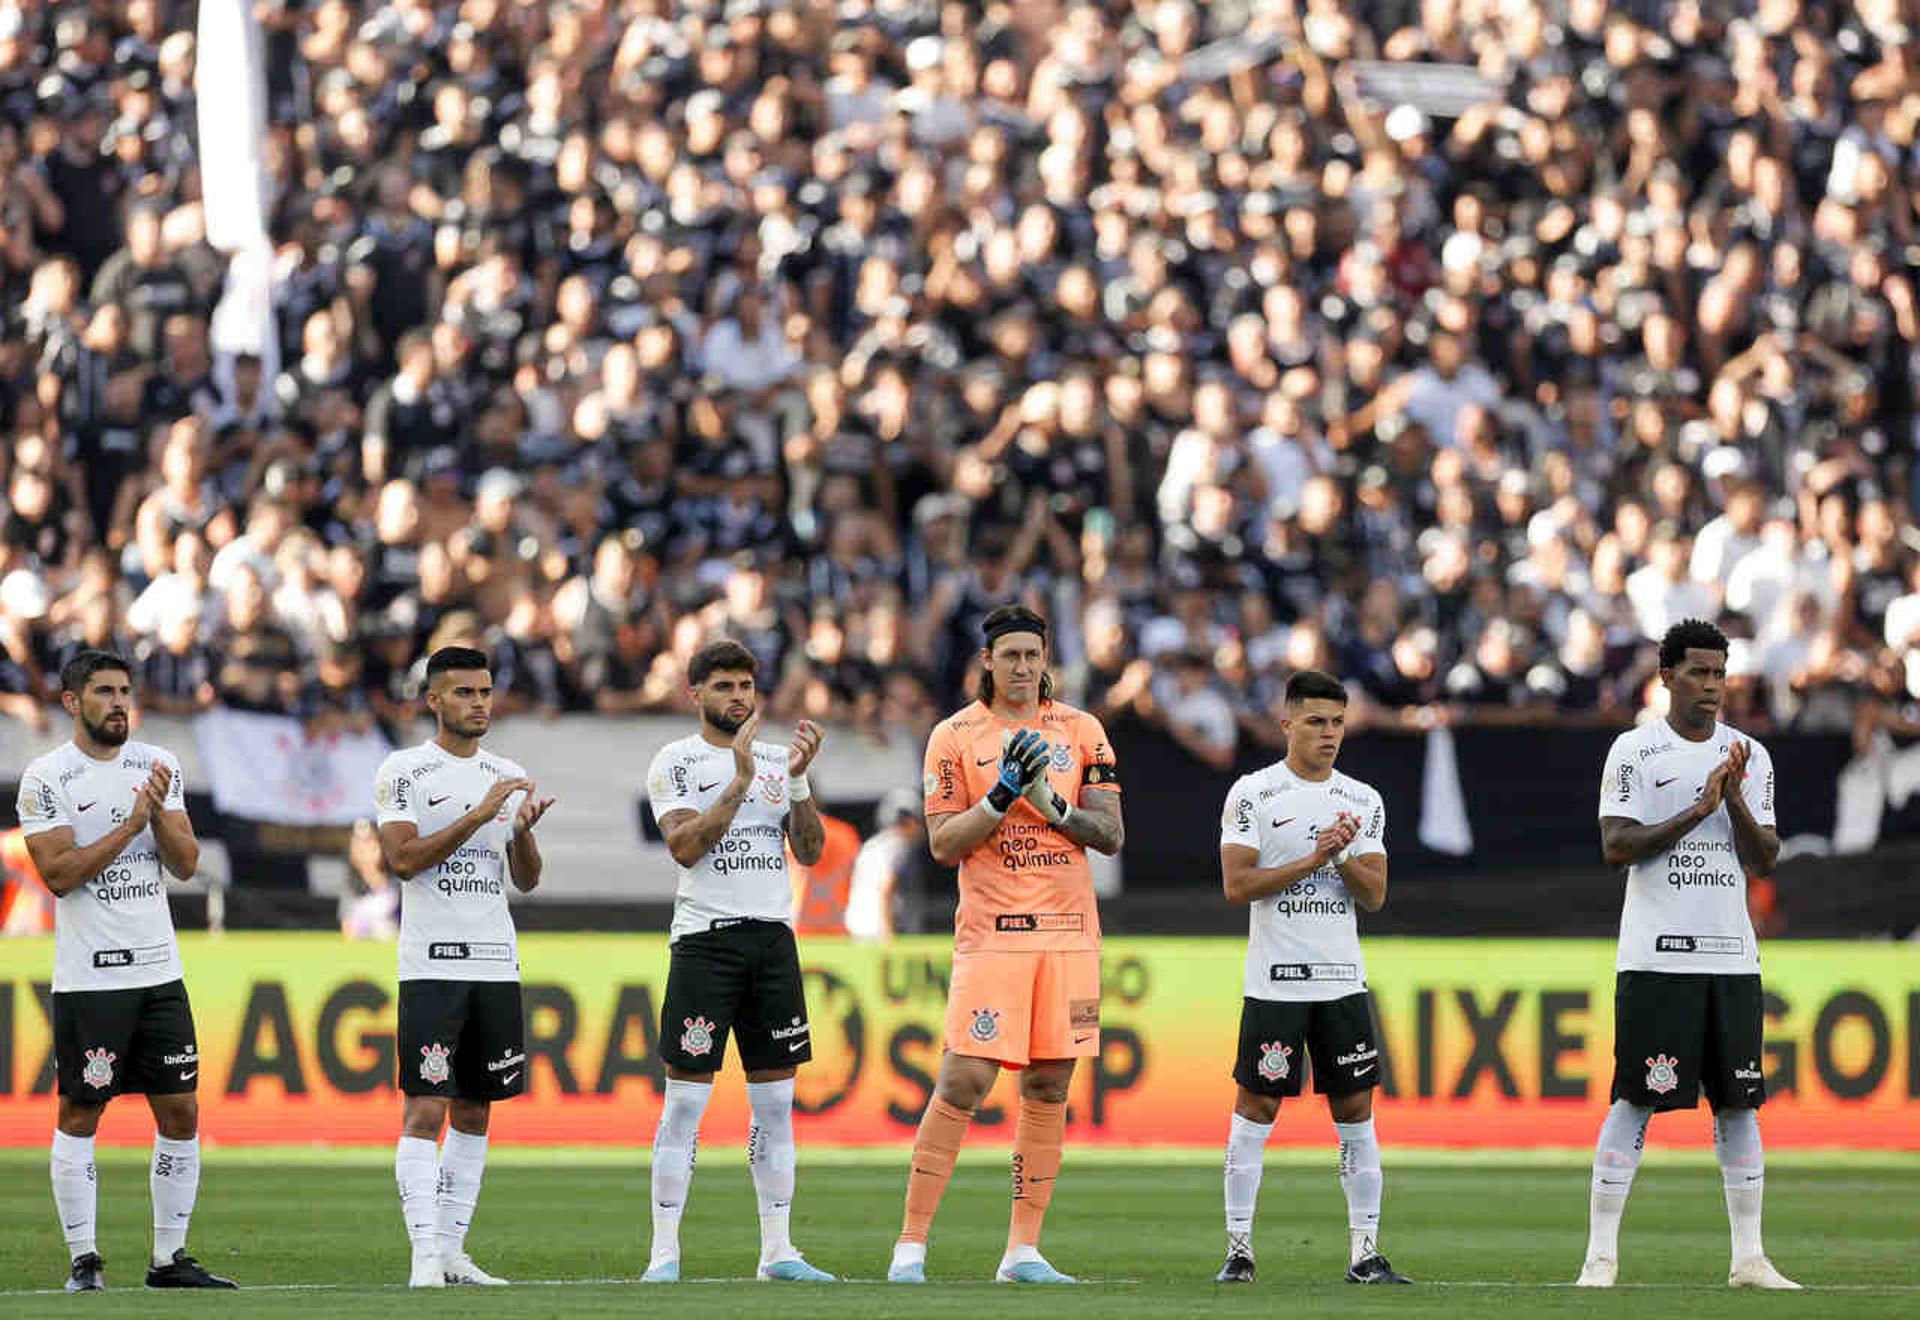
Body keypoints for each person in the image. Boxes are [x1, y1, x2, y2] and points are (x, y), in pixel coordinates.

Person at [888, 603, 1125, 1284]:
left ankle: (1022, 1251)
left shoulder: (1081, 730)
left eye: (1033, 654)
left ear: (1045, 659)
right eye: (1010, 655)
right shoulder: (954, 736)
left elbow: (1110, 835)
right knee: (964, 1079)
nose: (1023, 667)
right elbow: (941, 844)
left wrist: (1050, 804)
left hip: (1070, 934)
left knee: (1050, 1083)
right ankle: (911, 1246)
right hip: (994, 934)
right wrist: (1001, 796)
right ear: (985, 661)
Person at [1580, 619, 1798, 1290]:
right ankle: (1601, 1255)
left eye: (1719, 673)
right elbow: (1617, 846)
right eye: (1698, 673)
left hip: (1731, 956)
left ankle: (1748, 1258)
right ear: (1666, 677)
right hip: (1656, 957)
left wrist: (1729, 798)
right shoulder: (1634, 752)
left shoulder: (1749, 756)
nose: (1712, 686)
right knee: (1635, 1098)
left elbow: (1764, 858)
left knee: (1739, 1103)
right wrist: (1698, 808)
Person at [14, 649, 235, 1291]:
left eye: (125, 692)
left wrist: (158, 818)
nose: (119, 703)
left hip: (159, 971)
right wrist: (131, 823)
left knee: (182, 1110)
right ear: (72, 702)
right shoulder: (47, 778)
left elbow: (187, 863)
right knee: (82, 1112)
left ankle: (169, 1259)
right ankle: (84, 1260)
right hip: (91, 977)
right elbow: (58, 875)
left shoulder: (156, 765)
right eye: (105, 691)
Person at [641, 638, 833, 1283]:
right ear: (696, 694)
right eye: (724, 686)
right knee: (685, 1104)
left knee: (776, 1105)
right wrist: (742, 781)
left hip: (772, 942)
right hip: (706, 942)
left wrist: (798, 781)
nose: (739, 697)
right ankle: (665, 1251)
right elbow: (685, 847)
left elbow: (809, 851)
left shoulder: (781, 761)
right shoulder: (676, 761)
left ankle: (778, 1250)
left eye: (746, 686)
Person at [1213, 668, 1410, 1286]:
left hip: (1340, 982)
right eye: (1317, 722)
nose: (1329, 735)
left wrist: (1344, 855)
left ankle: (1365, 1253)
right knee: (1257, 1106)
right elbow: (1237, 884)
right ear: (1287, 724)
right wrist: (1313, 857)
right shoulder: (1253, 794)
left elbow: (1374, 895)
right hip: (1274, 981)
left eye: (1337, 724)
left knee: (1356, 1111)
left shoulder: (1364, 800)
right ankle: (1239, 1249)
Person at [373, 645, 554, 1288]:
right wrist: (478, 815)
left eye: (483, 692)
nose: (478, 703)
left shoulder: (508, 771)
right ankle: (423, 1255)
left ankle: (451, 1251)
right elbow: (402, 859)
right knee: (427, 1108)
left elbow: (525, 881)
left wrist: (522, 831)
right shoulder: (404, 772)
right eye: (464, 693)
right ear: (434, 701)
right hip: (432, 965)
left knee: (477, 1110)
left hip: (496, 963)